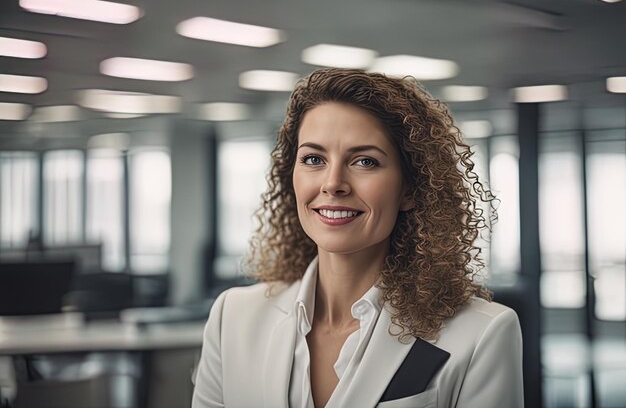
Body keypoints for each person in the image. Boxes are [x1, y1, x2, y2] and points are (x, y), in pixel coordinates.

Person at [192, 68, 523, 408]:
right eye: (313, 159)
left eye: (365, 161)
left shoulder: (481, 333)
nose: (333, 182)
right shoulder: (233, 317)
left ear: (410, 188)